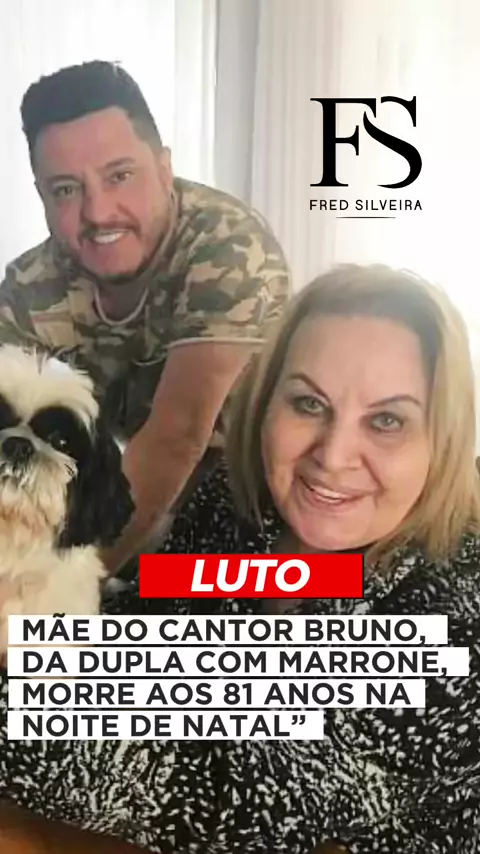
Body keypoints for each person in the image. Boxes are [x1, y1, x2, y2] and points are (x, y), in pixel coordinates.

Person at [1, 263, 479, 853]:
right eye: (308, 403)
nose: (333, 456)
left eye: (387, 421)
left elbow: (224, 798)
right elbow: (149, 644)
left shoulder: (455, 607)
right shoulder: (238, 508)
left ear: (444, 438)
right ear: (267, 401)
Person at [0, 60, 290, 574]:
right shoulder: (29, 288)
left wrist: (73, 587)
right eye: (65, 189)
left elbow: (178, 435)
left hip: (251, 517)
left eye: (120, 176)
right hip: (99, 515)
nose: (98, 212)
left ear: (164, 168)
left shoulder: (228, 250)